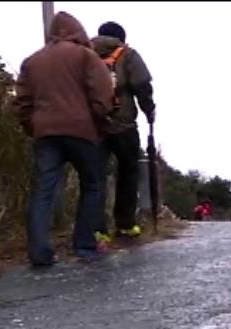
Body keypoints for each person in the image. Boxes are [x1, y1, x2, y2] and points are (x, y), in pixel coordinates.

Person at [13, 12, 114, 266]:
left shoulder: (32, 61)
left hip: (46, 133)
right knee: (91, 185)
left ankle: (39, 253)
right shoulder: (86, 56)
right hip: (82, 131)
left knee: (43, 191)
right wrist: (100, 123)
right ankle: (84, 246)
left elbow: (22, 103)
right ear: (77, 31)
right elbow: (102, 96)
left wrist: (33, 126)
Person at [91, 21, 156, 242]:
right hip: (123, 124)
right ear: (121, 38)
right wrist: (149, 110)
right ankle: (125, 225)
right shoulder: (127, 54)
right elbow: (142, 85)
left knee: (94, 177)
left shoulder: (84, 53)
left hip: (93, 125)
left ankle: (96, 230)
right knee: (128, 172)